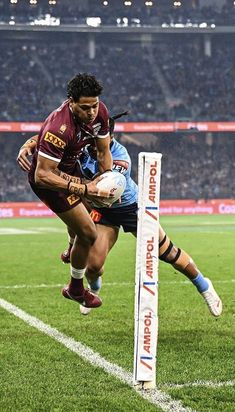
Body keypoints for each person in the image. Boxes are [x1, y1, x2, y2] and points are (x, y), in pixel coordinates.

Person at [17, 113, 223, 318]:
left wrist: (73, 184)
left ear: (111, 137)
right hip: (103, 210)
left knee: (168, 253)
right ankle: (92, 288)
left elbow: (99, 189)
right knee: (93, 266)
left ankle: (204, 286)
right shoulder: (85, 144)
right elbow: (51, 140)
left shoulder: (120, 158)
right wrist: (29, 144)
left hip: (130, 209)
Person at [18, 73, 115, 309]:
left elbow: (103, 152)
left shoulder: (99, 111)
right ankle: (76, 289)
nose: (91, 112)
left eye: (94, 105)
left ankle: (72, 247)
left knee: (92, 207)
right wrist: (83, 188)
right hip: (48, 182)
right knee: (89, 233)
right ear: (71, 102)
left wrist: (106, 180)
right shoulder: (59, 127)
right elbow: (43, 174)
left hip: (70, 171)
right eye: (85, 107)